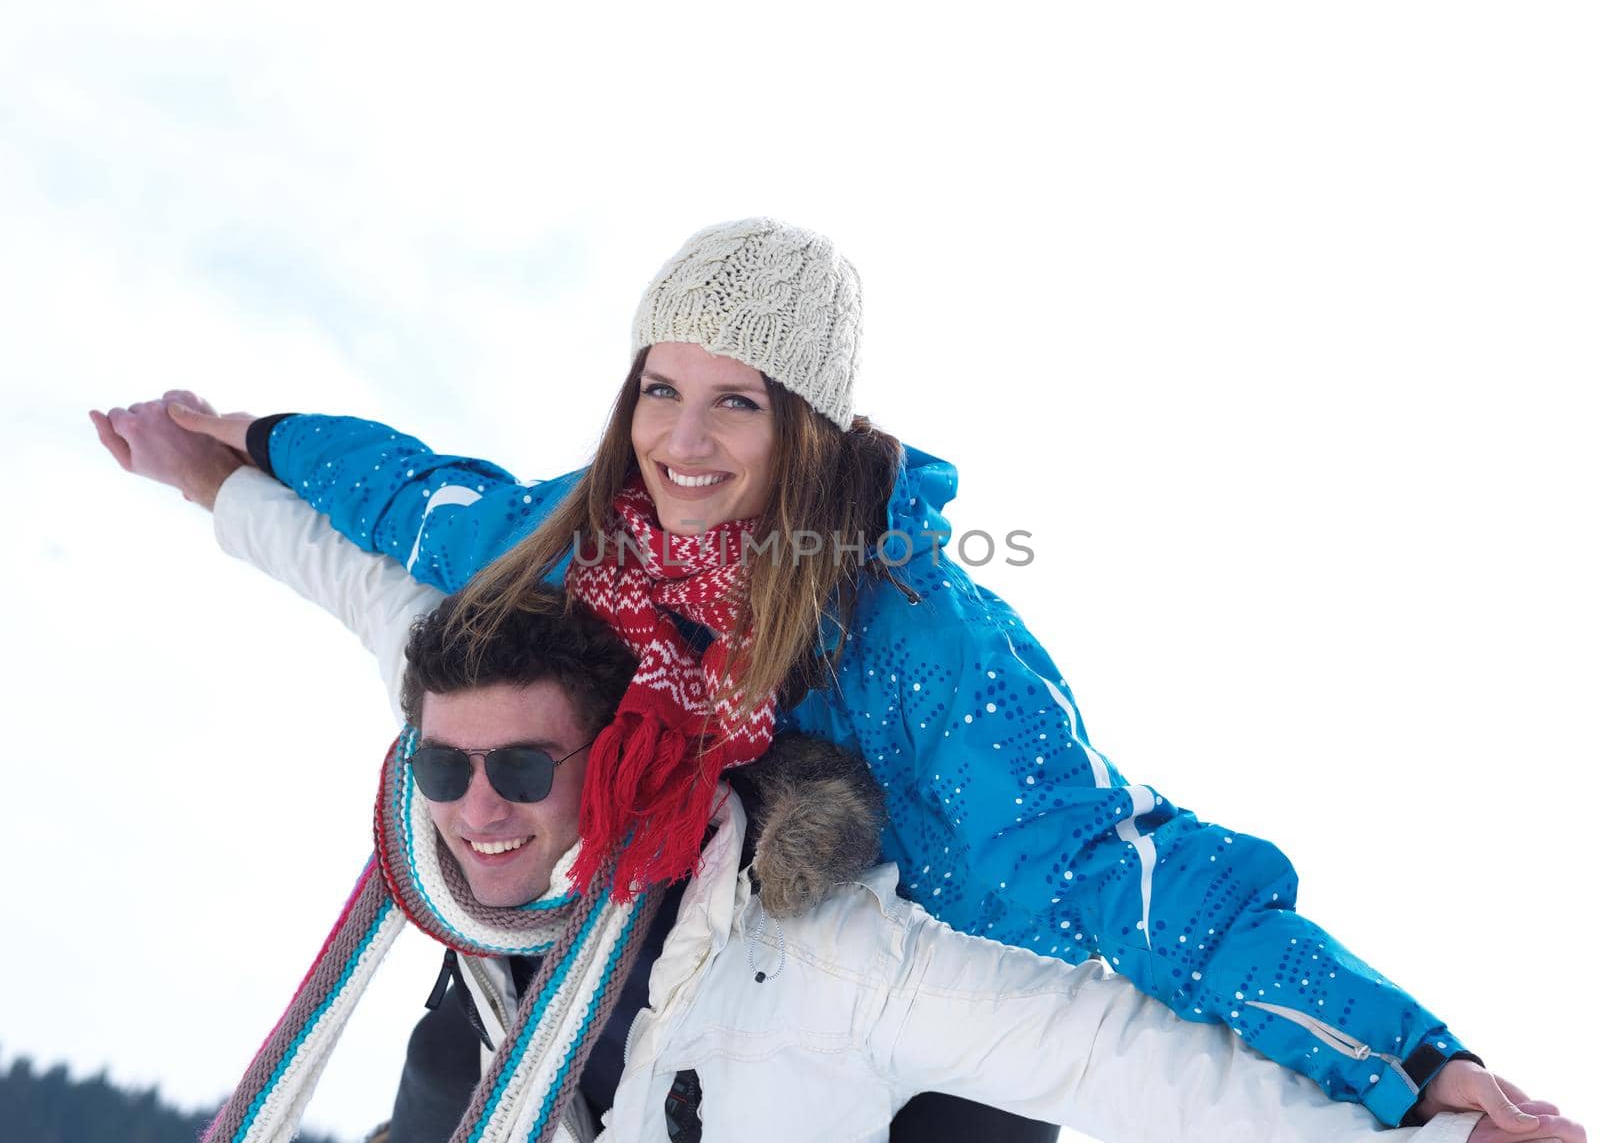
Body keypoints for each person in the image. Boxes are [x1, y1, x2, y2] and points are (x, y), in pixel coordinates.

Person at [90, 217, 1575, 1139]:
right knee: (464, 1069)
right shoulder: (572, 539)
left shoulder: (914, 638)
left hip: (900, 1037)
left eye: (738, 400)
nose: (685, 438)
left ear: (807, 426)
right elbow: (413, 504)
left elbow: (1131, 881)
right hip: (601, 970)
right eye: (660, 386)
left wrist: (1414, 1063)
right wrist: (247, 445)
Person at [195, 464, 1512, 1142]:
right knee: (442, 1067)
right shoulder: (483, 696)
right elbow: (364, 552)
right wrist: (225, 470)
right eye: (444, 772)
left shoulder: (839, 948)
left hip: (860, 1044)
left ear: (603, 754)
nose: (477, 808)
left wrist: (1426, 1090)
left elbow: (1142, 1060)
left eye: (525, 774)